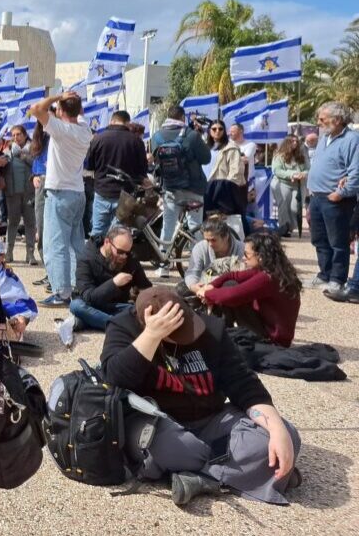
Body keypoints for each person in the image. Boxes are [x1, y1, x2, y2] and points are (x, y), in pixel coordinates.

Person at [101, 287, 300, 505]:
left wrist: (276, 429)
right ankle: (243, 473)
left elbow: (244, 384)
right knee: (174, 448)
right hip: (158, 425)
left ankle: (198, 477)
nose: (184, 339)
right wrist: (151, 336)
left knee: (285, 436)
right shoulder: (124, 327)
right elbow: (114, 379)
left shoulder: (210, 328)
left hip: (210, 419)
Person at [29, 91, 93, 307]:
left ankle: (61, 292)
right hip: (77, 192)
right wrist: (70, 102)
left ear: (61, 110)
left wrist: (58, 96)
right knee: (76, 243)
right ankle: (79, 285)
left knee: (55, 244)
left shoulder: (61, 129)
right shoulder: (85, 130)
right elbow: (79, 112)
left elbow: (37, 109)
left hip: (59, 192)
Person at [195, 232, 301, 347]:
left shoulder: (268, 278)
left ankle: (217, 338)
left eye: (246, 254)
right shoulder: (273, 270)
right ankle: (220, 334)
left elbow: (232, 295)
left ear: (260, 256)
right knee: (229, 284)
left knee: (229, 289)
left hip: (273, 341)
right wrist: (211, 286)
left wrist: (206, 293)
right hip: (271, 330)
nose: (243, 258)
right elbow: (232, 275)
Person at [151, 105, 211, 276]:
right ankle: (198, 267)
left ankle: (163, 267)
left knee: (168, 226)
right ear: (182, 118)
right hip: (193, 188)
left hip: (170, 188)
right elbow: (206, 158)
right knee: (195, 227)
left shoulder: (157, 136)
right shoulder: (191, 136)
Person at [307, 102, 359, 293]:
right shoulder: (324, 138)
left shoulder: (352, 140)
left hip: (336, 200)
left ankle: (337, 278)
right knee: (319, 239)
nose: (318, 122)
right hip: (317, 197)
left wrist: (341, 193)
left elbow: (355, 171)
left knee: (338, 242)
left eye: (322, 119)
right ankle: (325, 274)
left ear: (337, 120)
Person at [65, 225, 152, 333]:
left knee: (139, 310)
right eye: (120, 252)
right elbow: (88, 297)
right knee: (76, 306)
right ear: (107, 242)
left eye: (127, 252)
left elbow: (146, 287)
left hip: (117, 307)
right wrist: (114, 283)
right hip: (92, 306)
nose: (124, 256)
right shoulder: (87, 258)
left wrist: (144, 300)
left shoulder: (130, 259)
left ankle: (93, 322)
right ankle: (118, 326)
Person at [85, 110, 149, 239]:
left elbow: (89, 166)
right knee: (120, 234)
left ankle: (95, 257)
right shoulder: (136, 141)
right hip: (125, 196)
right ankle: (115, 258)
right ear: (127, 123)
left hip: (102, 191)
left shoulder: (98, 139)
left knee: (97, 231)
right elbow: (143, 171)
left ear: (112, 121)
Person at [3, 124, 37, 264]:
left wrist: (24, 157)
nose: (16, 137)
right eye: (13, 135)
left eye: (18, 134)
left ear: (24, 135)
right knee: (13, 223)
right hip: (13, 192)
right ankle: (8, 252)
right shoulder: (8, 150)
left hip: (29, 192)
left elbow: (37, 165)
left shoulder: (33, 149)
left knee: (30, 223)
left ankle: (30, 254)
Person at [183, 216, 245, 290]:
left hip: (231, 290)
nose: (210, 244)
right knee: (182, 288)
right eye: (207, 240)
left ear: (226, 237)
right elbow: (192, 272)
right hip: (205, 287)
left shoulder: (243, 249)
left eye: (213, 240)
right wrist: (194, 286)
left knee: (230, 284)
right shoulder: (200, 247)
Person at [271, 135, 309, 238]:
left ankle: (290, 227)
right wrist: (292, 174)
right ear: (287, 142)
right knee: (283, 206)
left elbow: (307, 168)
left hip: (298, 184)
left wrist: (303, 174)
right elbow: (277, 170)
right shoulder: (279, 155)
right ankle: (284, 228)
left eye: (296, 141)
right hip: (282, 183)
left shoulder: (301, 155)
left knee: (295, 208)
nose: (295, 143)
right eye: (292, 141)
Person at [30, 121, 49, 268]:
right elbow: (35, 162)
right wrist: (34, 175)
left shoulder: (63, 135)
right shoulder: (39, 139)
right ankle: (48, 267)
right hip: (42, 183)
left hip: (60, 184)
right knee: (41, 224)